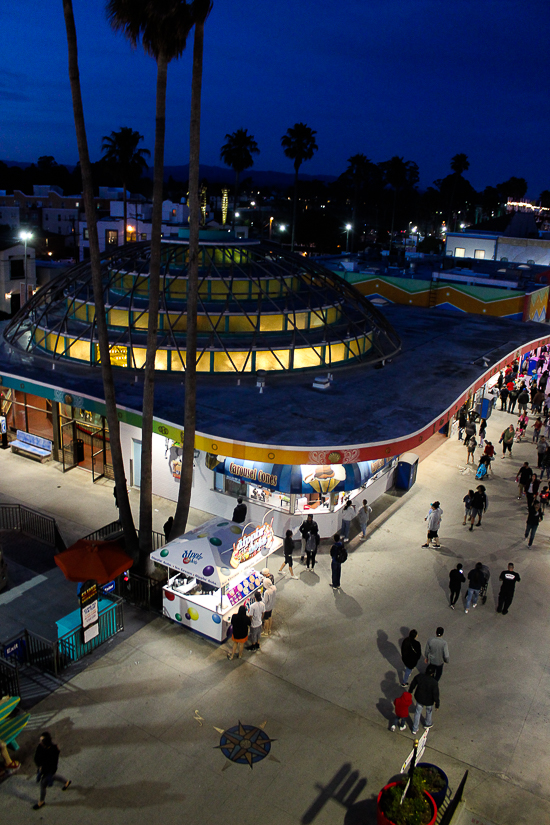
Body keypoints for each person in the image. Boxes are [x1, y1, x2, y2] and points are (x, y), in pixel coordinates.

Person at [33, 732, 71, 810]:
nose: (40, 742)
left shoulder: (53, 750)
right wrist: (39, 765)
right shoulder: (41, 747)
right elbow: (36, 757)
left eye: (41, 740)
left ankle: (41, 801)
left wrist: (42, 768)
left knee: (43, 784)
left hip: (49, 770)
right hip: (44, 769)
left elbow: (51, 763)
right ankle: (66, 782)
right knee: (54, 777)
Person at [410, 664, 440, 735]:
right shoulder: (434, 682)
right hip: (429, 701)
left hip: (419, 698)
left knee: (417, 712)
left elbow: (413, 683)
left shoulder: (420, 677)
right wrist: (437, 704)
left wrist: (410, 691)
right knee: (429, 711)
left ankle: (415, 728)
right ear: (433, 673)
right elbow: (436, 694)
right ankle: (427, 724)